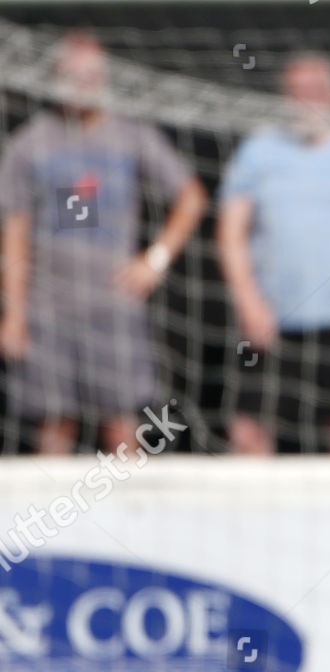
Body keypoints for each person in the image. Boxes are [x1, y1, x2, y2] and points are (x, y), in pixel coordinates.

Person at [0, 30, 206, 455]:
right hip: (48, 308)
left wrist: (156, 258)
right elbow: (14, 233)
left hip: (114, 306)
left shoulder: (131, 134)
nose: (81, 85)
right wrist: (14, 313)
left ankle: (130, 520)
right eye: (71, 75)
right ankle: (53, 518)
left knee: (121, 428)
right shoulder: (28, 144)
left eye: (91, 76)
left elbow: (191, 197)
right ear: (52, 77)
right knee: (55, 428)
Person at [217, 52, 330, 454]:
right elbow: (230, 231)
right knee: (248, 432)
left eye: (315, 91)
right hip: (271, 320)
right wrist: (248, 303)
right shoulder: (257, 151)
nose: (306, 101)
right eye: (295, 92)